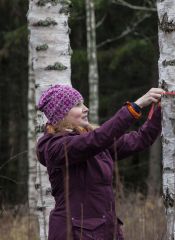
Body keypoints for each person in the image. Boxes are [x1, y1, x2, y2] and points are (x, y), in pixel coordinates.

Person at [36, 84, 164, 240]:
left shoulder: (92, 141)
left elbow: (140, 140)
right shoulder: (55, 147)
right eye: (77, 105)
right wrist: (135, 107)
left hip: (104, 232)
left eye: (83, 103)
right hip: (73, 234)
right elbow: (97, 139)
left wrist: (159, 111)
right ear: (61, 114)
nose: (86, 108)